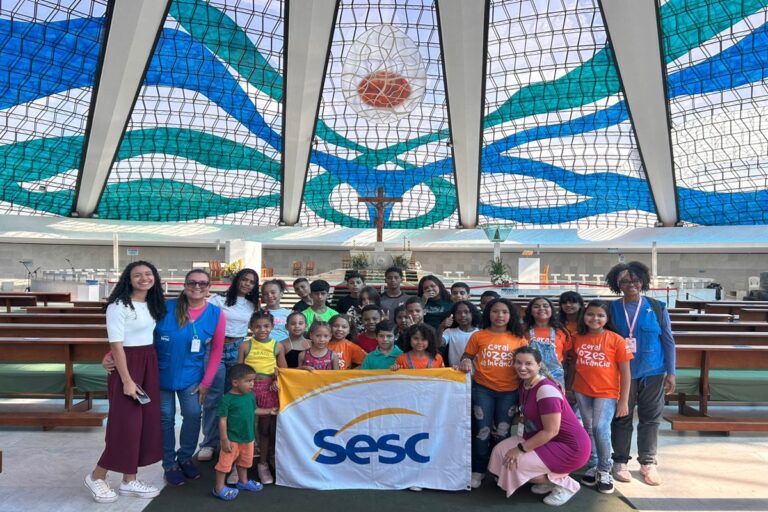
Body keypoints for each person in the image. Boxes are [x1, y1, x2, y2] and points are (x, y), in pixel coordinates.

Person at [85, 261, 166, 503]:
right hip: (127, 366)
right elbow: (116, 344)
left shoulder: (153, 303)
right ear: (128, 280)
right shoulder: (118, 305)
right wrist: (127, 380)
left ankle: (129, 480)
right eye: (137, 275)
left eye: (148, 274)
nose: (144, 278)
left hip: (148, 361)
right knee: (125, 425)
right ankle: (97, 476)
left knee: (142, 425)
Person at [488, 347, 590, 506]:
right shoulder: (525, 385)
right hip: (551, 439)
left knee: (516, 463)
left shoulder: (546, 390)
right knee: (500, 451)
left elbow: (551, 431)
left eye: (528, 363)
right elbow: (525, 414)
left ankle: (565, 485)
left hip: (572, 447)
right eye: (518, 363)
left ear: (538, 365)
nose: (522, 367)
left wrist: (520, 449)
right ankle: (549, 479)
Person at [606, 261, 675, 486]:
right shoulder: (611, 309)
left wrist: (671, 372)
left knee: (651, 418)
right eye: (624, 281)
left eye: (635, 280)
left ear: (643, 281)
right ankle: (620, 461)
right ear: (617, 284)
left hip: (653, 371)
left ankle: (648, 462)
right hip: (621, 373)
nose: (631, 284)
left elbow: (668, 341)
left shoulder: (657, 307)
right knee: (621, 417)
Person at [158, 269, 225, 486]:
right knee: (165, 418)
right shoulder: (165, 307)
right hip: (161, 373)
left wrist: (206, 382)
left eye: (202, 283)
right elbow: (140, 333)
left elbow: (216, 351)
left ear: (209, 287)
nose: (197, 286)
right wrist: (113, 353)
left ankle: (185, 457)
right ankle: (169, 463)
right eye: (192, 282)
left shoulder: (216, 314)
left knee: (193, 414)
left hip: (191, 376)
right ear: (184, 285)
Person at [458, 298, 527, 489]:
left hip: (509, 392)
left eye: (504, 312)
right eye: (495, 311)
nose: (500, 315)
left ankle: (499, 471)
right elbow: (467, 356)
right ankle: (478, 470)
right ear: (488, 313)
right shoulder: (478, 336)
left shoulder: (519, 339)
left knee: (503, 433)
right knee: (482, 431)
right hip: (483, 390)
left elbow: (527, 365)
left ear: (511, 315)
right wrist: (466, 361)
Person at [571, 300, 632, 494]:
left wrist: (623, 401)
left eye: (600, 315)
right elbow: (574, 363)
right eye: (590, 314)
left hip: (606, 392)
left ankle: (605, 469)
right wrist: (569, 388)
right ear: (584, 315)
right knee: (589, 428)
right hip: (582, 390)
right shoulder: (577, 337)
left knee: (600, 428)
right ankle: (594, 464)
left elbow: (626, 373)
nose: (595, 318)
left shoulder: (616, 340)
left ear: (607, 318)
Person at [198, 268, 260, 462]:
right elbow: (203, 320)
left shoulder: (252, 305)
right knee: (213, 397)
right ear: (237, 280)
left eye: (251, 282)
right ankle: (209, 443)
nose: (247, 284)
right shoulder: (218, 300)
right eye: (244, 279)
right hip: (216, 349)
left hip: (237, 349)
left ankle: (231, 441)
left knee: (233, 397)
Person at [238, 310, 287, 485]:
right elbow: (238, 371)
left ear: (272, 327)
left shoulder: (277, 346)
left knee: (265, 429)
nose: (262, 330)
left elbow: (283, 372)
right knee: (242, 427)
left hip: (269, 391)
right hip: (248, 390)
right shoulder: (245, 346)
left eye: (266, 326)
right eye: (257, 326)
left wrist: (276, 380)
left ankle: (263, 464)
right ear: (251, 327)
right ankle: (238, 464)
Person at [212, 364, 274, 501]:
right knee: (224, 465)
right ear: (235, 382)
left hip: (248, 438)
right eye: (248, 381)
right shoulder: (226, 399)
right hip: (232, 439)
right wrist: (224, 439)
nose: (252, 384)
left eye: (253, 380)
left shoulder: (250, 395)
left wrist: (269, 411)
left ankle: (243, 482)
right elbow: (222, 420)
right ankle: (219, 488)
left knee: (244, 462)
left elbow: (254, 410)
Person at [523, 297, 571, 389]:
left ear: (551, 310)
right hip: (530, 375)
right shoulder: (523, 331)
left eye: (545, 306)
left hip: (556, 376)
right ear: (530, 311)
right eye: (536, 306)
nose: (541, 308)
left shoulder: (561, 332)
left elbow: (565, 356)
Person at [437, 300, 480, 367]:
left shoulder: (479, 333)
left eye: (466, 312)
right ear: (454, 316)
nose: (462, 315)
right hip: (455, 371)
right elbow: (439, 343)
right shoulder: (449, 332)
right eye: (458, 313)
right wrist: (441, 327)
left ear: (472, 314)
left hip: (476, 372)